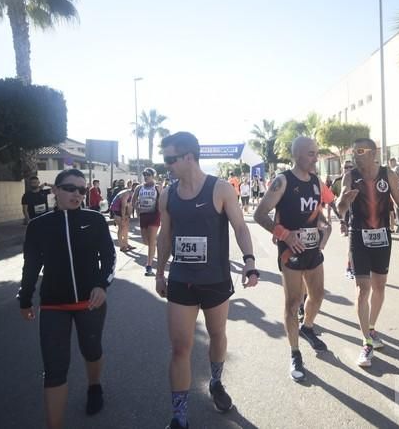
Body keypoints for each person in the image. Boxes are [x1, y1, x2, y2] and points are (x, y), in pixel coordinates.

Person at [155, 132, 259, 429]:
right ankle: (179, 415)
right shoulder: (168, 194)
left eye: (170, 159)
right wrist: (160, 271)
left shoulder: (220, 188)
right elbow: (165, 236)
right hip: (181, 281)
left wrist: (249, 262)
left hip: (215, 281)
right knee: (180, 347)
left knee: (217, 335)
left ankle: (215, 381)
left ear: (188, 157)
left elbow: (240, 227)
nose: (167, 165)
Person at [17, 169, 116, 429]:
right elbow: (31, 266)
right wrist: (24, 298)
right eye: (71, 188)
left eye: (82, 190)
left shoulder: (94, 220)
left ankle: (94, 386)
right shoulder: (39, 226)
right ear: (56, 190)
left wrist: (102, 285)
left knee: (91, 351)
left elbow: (109, 257)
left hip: (90, 302)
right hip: (53, 304)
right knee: (54, 369)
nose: (77, 194)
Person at [254, 136, 333, 382]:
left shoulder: (316, 183)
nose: (316, 157)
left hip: (312, 250)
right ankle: (295, 352)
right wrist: (284, 235)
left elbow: (316, 212)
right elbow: (259, 214)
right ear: (297, 154)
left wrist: (323, 224)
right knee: (292, 302)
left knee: (317, 296)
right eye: (311, 153)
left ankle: (307, 328)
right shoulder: (282, 181)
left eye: (316, 153)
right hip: (291, 251)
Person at [336, 138, 399, 368]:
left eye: (360, 151)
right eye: (353, 151)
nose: (356, 155)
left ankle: (371, 327)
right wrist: (343, 201)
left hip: (382, 236)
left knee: (379, 286)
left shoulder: (388, 175)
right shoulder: (350, 176)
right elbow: (340, 208)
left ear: (373, 152)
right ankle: (366, 342)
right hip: (359, 236)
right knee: (362, 289)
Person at [132, 168, 162, 276]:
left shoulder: (157, 187)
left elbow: (162, 200)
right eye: (144, 174)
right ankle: (155, 244)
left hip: (154, 215)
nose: (146, 176)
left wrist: (162, 211)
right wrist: (136, 208)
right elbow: (133, 200)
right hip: (143, 216)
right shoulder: (139, 187)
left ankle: (149, 266)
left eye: (148, 175)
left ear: (153, 175)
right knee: (146, 241)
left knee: (151, 241)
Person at [110, 184, 134, 252]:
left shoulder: (133, 196)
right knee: (121, 227)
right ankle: (121, 246)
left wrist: (128, 216)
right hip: (116, 210)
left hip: (122, 209)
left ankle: (126, 244)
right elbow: (123, 207)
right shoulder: (126, 194)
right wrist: (123, 218)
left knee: (126, 227)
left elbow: (130, 207)